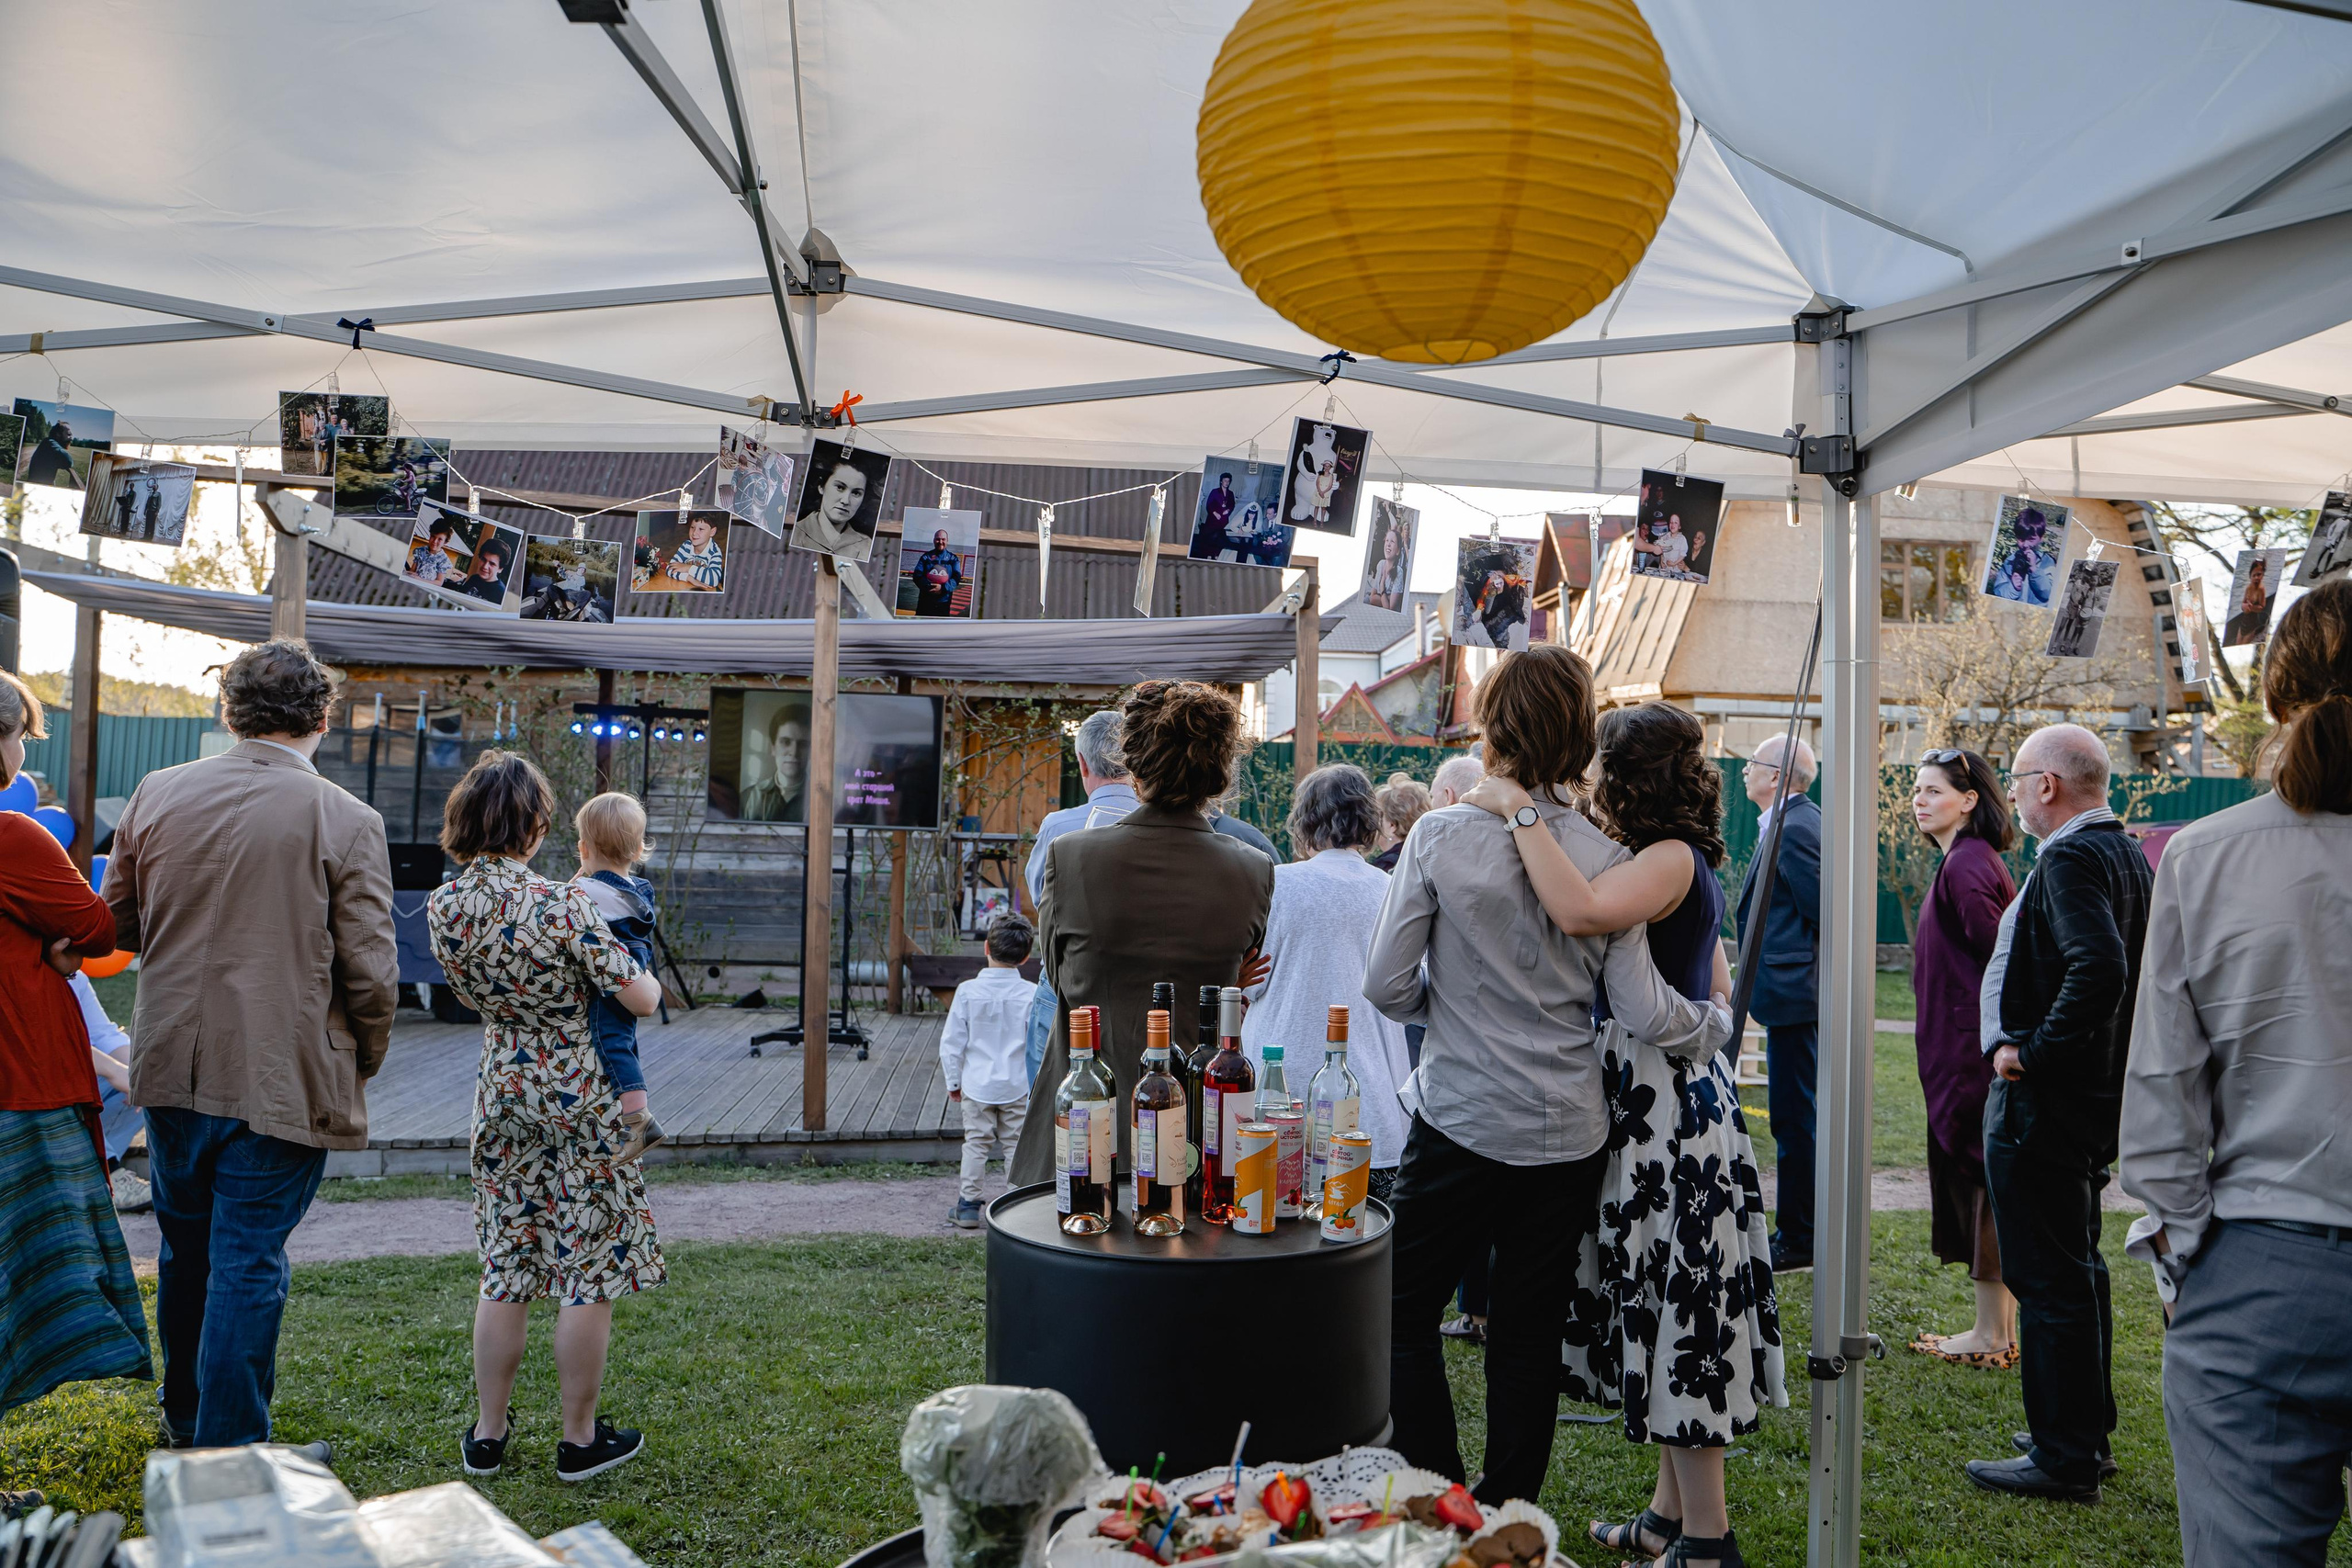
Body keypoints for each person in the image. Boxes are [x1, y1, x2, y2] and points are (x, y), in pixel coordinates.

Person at [1364, 644, 1730, 1507]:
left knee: (1398, 1311)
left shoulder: (1440, 835)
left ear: (1494, 729)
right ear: (1581, 734)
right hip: (1568, 1124)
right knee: (1526, 1332)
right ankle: (1506, 1506)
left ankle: (1441, 1495)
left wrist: (1446, 1012)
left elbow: (1383, 984)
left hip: (1458, 1112)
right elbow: (1642, 1006)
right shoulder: (1609, 853)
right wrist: (1712, 1024)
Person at [1464, 703, 1779, 1568]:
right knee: (1657, 1287)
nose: (1588, 781)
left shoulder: (1667, 859)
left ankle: (1707, 1541)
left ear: (1626, 776)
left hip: (1665, 1114)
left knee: (1683, 1301)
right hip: (1660, 1098)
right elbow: (1712, 981)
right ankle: (1667, 1520)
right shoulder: (1674, 859)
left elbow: (1579, 910)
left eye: (1599, 767)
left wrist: (1517, 808)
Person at [103, 639, 398, 1447]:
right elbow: (372, 972)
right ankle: (229, 1449)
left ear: (227, 711)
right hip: (281, 1072)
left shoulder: (156, 793)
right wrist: (362, 1054)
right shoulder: (347, 818)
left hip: (167, 1066)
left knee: (186, 1251)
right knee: (246, 1261)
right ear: (323, 717)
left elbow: (116, 926)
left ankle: (188, 1417)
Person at [2121, 580, 2352, 1564]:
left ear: (2272, 695)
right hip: (2264, 1253)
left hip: (2265, 1269)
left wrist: (2179, 1246)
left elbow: (2161, 1091)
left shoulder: (2207, 856)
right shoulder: (2206, 854)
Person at [427, 751, 665, 1483]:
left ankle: (489, 1434)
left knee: (505, 1263)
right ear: (532, 826)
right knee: (586, 1269)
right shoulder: (566, 904)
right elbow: (642, 996)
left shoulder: (444, 906)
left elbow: (470, 998)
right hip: (580, 1093)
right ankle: (579, 1438)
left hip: (501, 1088)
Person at [1963, 723, 2151, 1503]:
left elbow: (2100, 966)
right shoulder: (2122, 851)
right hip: (2087, 1099)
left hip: (2046, 1100)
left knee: (2046, 1279)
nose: (2011, 789)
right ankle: (2084, 1430)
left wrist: (2030, 1052)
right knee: (2079, 1266)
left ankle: (2065, 1454)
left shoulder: (2073, 854)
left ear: (2048, 785)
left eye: (2017, 776)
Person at [1008, 681, 1273, 1185]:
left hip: (1088, 1127)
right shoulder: (1254, 870)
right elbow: (1235, 993)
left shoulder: (1072, 856)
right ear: (1220, 769)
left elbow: (1063, 983)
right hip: (1197, 1133)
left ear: (1133, 763)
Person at [0, 670, 154, 1420]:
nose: (23, 751)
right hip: (15, 1086)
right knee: (18, 1281)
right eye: (20, 735)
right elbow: (97, 929)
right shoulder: (12, 834)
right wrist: (52, 946)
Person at [1239, 766, 1413, 1199]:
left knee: (1272, 1232)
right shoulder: (1391, 889)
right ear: (1369, 823)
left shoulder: (1276, 885)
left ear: (1304, 822)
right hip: (1371, 1105)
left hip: (1278, 1098)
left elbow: (1247, 984)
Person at [1903, 749, 2018, 1367]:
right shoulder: (1966, 861)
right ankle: (1995, 1330)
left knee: (1981, 1189)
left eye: (1932, 790)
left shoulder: (1967, 866)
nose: (1919, 800)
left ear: (1969, 799)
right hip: (1965, 1053)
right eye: (1916, 790)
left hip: (1971, 1059)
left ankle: (1989, 1335)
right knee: (1984, 1190)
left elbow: (2006, 958)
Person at [1735, 734, 1821, 1272]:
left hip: (1798, 997)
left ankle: (1802, 1238)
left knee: (1795, 1119)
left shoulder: (1798, 827)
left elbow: (1825, 911)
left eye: (1751, 763)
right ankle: (1800, 1231)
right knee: (1792, 1118)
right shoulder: (1784, 823)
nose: (1743, 771)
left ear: (1775, 776)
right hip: (1787, 994)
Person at [1019, 710, 1139, 1084]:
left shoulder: (1059, 826)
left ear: (1082, 764)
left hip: (1066, 985)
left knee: (1050, 1105)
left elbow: (1043, 900)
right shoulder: (1165, 825)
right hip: (1139, 991)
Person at [571, 794, 666, 1164]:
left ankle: (638, 1118)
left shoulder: (585, 892)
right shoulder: (639, 890)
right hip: (637, 963)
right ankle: (635, 1111)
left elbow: (557, 903)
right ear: (639, 848)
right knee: (623, 1038)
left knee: (609, 1037)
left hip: (617, 972)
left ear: (583, 848)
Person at [941, 912, 1037, 1229]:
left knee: (976, 1143)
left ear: (986, 948)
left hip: (976, 1085)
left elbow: (952, 1042)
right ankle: (1017, 1207)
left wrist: (954, 1081)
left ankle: (968, 1205)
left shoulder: (967, 992)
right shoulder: (1031, 994)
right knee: (1015, 1145)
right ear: (1025, 957)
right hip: (1018, 1085)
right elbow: (1039, 1044)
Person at [74, 971, 152, 1213]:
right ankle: (107, 1172)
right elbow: (51, 1043)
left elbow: (103, 1034)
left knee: (150, 1076)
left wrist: (138, 1074)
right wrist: (115, 1073)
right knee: (65, 1079)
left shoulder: (74, 975)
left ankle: (100, 1170)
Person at [795, 454, 876, 558]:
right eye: (839, 487)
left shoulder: (866, 546)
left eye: (856, 493)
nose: (846, 501)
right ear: (821, 487)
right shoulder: (795, 533)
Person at [740, 705, 810, 823]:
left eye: (803, 744)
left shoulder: (824, 799)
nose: (794, 752)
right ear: (773, 748)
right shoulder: (747, 798)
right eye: (786, 742)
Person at [1368, 773, 1431, 873]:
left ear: (1392, 825)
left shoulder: (1385, 867)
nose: (1373, 824)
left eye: (1377, 818)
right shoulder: (1430, 859)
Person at [665, 513, 726, 591]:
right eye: (692, 527)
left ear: (712, 532)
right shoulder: (686, 546)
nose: (694, 533)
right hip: (686, 587)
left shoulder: (714, 552)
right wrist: (688, 578)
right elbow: (669, 568)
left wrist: (688, 568)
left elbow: (714, 579)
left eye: (701, 529)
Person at [911, 528, 964, 616]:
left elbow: (956, 577)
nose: (940, 542)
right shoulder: (926, 557)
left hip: (943, 602)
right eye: (938, 539)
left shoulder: (953, 559)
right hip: (925, 601)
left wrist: (942, 588)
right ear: (934, 540)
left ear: (947, 541)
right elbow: (917, 575)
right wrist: (930, 587)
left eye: (943, 539)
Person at [2222, 555, 2271, 646]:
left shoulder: (2261, 590)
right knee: (2238, 641)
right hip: (2244, 620)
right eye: (2254, 575)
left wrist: (2252, 607)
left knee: (2245, 642)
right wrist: (2244, 606)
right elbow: (2243, 602)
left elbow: (2261, 607)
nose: (2256, 577)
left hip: (2253, 622)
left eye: (2259, 575)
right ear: (2250, 575)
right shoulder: (2249, 588)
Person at [1365, 513, 1408, 610]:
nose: (1388, 544)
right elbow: (1372, 598)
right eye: (1387, 541)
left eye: (1392, 542)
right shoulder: (1381, 564)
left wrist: (1382, 589)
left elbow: (1390, 607)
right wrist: (1387, 598)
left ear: (1397, 551)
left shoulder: (1399, 571)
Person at [457, 537, 514, 604]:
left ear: (500, 569)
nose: (485, 566)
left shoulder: (501, 594)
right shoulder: (474, 578)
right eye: (483, 560)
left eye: (492, 564)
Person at [23, 420, 75, 487]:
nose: (71, 438)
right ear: (58, 434)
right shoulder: (50, 444)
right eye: (69, 434)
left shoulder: (47, 442)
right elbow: (69, 461)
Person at [1197, 472, 1237, 559]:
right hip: (1213, 519)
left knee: (1220, 538)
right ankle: (1208, 554)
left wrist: (1228, 510)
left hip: (1224, 519)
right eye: (1225, 481)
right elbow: (1209, 504)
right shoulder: (1215, 491)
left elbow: (1232, 504)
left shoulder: (1231, 493)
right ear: (1221, 482)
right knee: (1210, 537)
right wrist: (1215, 513)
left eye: (1228, 481)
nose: (1226, 482)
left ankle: (1216, 554)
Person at [408, 520, 455, 585]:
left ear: (445, 542)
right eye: (433, 536)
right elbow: (412, 570)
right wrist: (411, 574)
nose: (435, 541)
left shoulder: (443, 560)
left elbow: (439, 582)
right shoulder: (420, 551)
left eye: (440, 539)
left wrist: (420, 580)